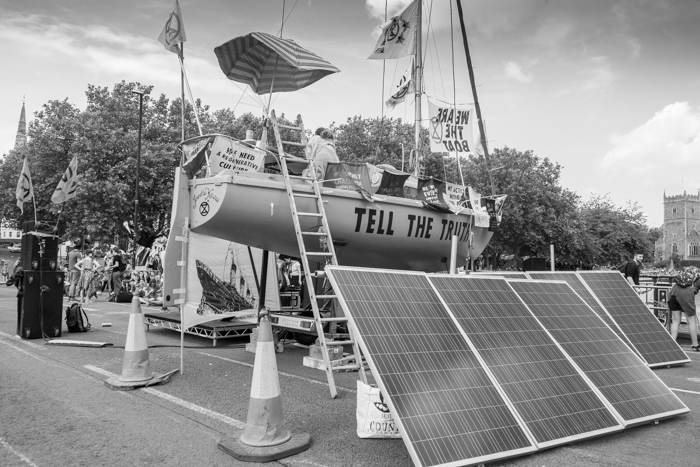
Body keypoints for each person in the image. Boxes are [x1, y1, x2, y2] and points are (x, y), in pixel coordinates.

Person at [668, 269, 700, 352]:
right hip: (686, 296)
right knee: (691, 321)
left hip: (673, 293)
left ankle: (672, 343)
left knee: (676, 320)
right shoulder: (698, 278)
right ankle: (695, 345)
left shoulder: (687, 273)